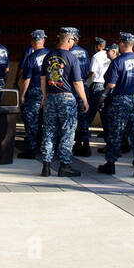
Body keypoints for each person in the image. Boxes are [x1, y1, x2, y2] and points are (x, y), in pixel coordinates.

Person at [38, 27, 88, 177]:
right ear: (68, 39)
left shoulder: (48, 56)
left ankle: (46, 166)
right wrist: (85, 100)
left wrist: (44, 96)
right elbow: (77, 82)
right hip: (66, 98)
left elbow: (43, 80)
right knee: (67, 131)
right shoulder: (72, 58)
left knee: (49, 130)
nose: (74, 42)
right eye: (73, 39)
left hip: (51, 97)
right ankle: (64, 166)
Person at [99, 32, 134, 178]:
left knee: (116, 132)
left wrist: (104, 96)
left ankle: (111, 164)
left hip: (121, 99)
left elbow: (111, 83)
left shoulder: (118, 61)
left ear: (121, 44)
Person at [76, 36, 109, 157]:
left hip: (97, 86)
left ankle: (83, 140)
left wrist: (83, 79)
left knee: (88, 114)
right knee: (105, 116)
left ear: (98, 46)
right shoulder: (108, 55)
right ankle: (109, 143)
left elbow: (92, 71)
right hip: (106, 87)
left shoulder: (96, 56)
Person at [17, 29, 47, 159]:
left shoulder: (31, 57)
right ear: (43, 40)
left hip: (34, 92)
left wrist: (22, 95)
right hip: (49, 93)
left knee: (31, 121)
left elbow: (26, 79)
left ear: (32, 42)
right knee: (45, 121)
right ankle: (44, 147)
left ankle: (31, 149)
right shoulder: (51, 55)